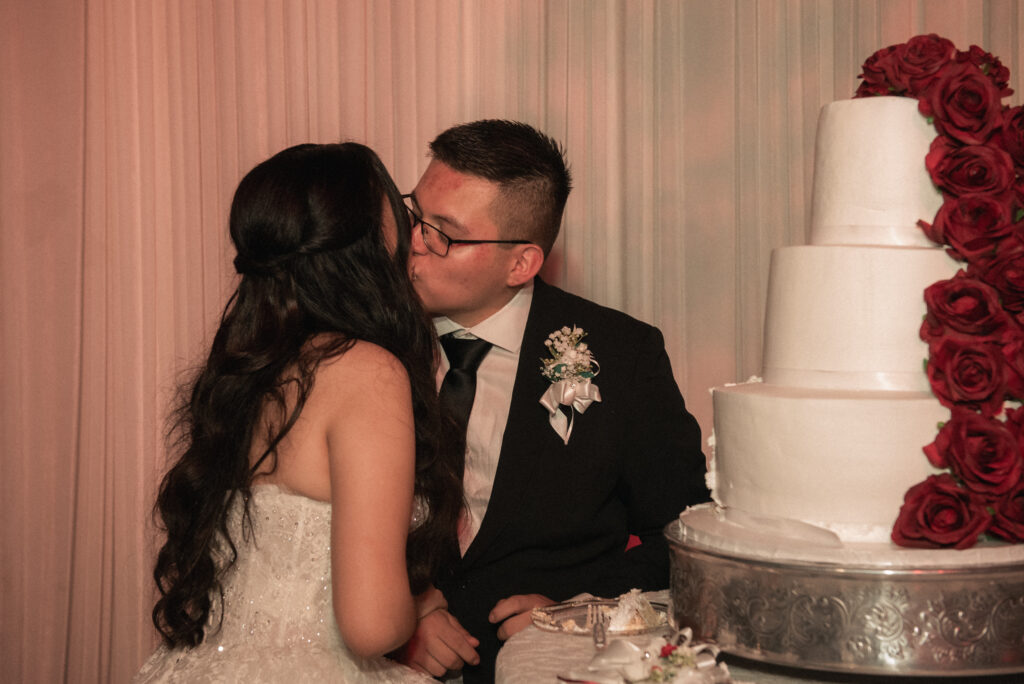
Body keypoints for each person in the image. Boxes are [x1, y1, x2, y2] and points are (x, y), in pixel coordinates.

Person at [134, 142, 462, 683]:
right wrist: (418, 604)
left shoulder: (245, 373)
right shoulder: (365, 371)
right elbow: (373, 628)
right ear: (368, 241)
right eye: (402, 215)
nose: (414, 235)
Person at [398, 120, 710, 682]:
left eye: (444, 232)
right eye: (414, 216)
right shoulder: (367, 339)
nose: (415, 242)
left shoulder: (622, 356)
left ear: (521, 263)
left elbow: (687, 535)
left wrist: (577, 607)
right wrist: (404, 613)